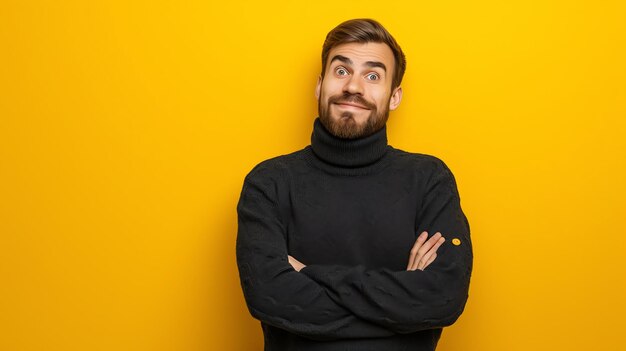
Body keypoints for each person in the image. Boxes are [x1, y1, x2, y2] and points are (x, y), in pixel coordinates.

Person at [236, 18, 473, 351]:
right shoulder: (269, 183)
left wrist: (311, 274)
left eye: (373, 76)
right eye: (342, 71)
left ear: (394, 96)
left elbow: (444, 297)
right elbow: (269, 296)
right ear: (320, 85)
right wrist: (402, 299)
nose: (354, 87)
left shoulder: (429, 180)